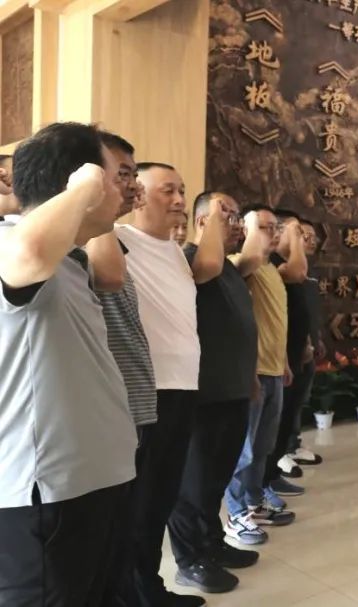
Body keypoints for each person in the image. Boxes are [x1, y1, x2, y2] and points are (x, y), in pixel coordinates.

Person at [0, 122, 138, 605]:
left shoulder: (70, 261)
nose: (125, 189)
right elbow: (27, 251)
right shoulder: (13, 243)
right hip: (46, 494)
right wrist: (82, 189)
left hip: (94, 482)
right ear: (83, 179)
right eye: (115, 176)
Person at [117, 162, 203, 607]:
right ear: (137, 193)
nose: (179, 200)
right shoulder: (118, 240)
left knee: (162, 496)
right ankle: (134, 594)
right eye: (167, 190)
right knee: (140, 501)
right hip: (146, 393)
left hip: (183, 389)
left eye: (181, 190)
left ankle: (150, 588)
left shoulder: (175, 251)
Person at [168, 192, 262, 594]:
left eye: (238, 217)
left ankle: (212, 543)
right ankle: (190, 560)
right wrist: (213, 223)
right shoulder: (192, 260)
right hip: (203, 397)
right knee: (193, 485)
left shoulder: (228, 268)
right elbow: (204, 266)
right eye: (228, 216)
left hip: (233, 391)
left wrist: (249, 377)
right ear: (202, 221)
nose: (236, 224)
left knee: (215, 480)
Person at [85, 132, 160, 607]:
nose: (133, 187)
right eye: (123, 174)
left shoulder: (106, 238)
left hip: (136, 404)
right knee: (107, 537)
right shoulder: (92, 242)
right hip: (112, 413)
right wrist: (101, 208)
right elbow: (109, 276)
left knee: (131, 523)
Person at [224, 205, 296, 545]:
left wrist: (285, 362)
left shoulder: (272, 271)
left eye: (275, 227)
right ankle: (236, 512)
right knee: (245, 450)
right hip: (252, 372)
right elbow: (246, 261)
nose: (273, 233)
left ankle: (254, 502)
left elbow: (276, 322)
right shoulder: (241, 264)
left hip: (273, 370)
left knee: (264, 446)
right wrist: (254, 233)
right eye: (264, 227)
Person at [265, 209, 312, 494]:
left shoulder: (286, 262)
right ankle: (264, 481)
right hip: (276, 359)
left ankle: (271, 475)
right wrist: (294, 238)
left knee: (286, 419)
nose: (302, 239)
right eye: (297, 232)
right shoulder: (270, 262)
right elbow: (298, 272)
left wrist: (306, 342)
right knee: (274, 425)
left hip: (292, 354)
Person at [284, 218, 325, 467]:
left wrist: (315, 337)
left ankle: (293, 443)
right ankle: (281, 452)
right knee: (286, 401)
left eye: (312, 237)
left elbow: (309, 311)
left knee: (298, 400)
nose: (309, 241)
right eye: (303, 235)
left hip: (307, 346)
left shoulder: (311, 271)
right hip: (289, 350)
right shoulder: (286, 270)